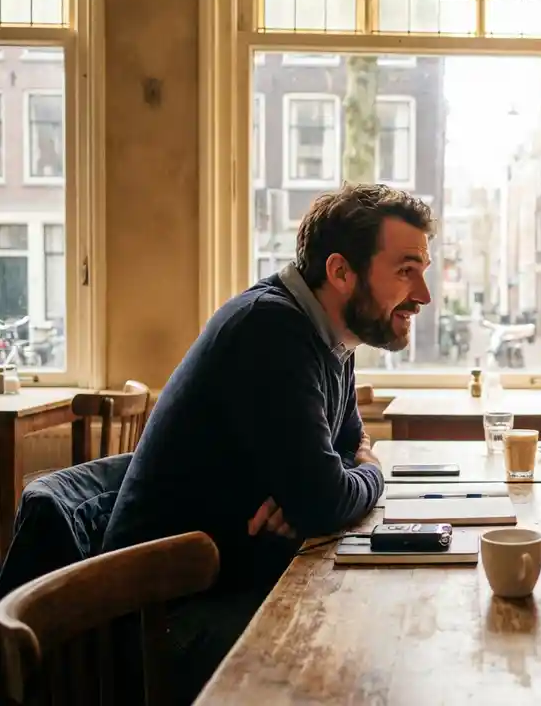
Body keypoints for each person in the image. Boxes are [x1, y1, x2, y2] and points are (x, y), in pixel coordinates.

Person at [102, 183, 434, 702]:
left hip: (237, 581)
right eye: (405, 270)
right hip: (169, 624)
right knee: (373, 663)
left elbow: (342, 453)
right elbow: (325, 496)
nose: (422, 296)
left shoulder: (331, 337)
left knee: (396, 633)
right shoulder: (272, 329)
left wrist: (332, 479)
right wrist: (366, 472)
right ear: (341, 272)